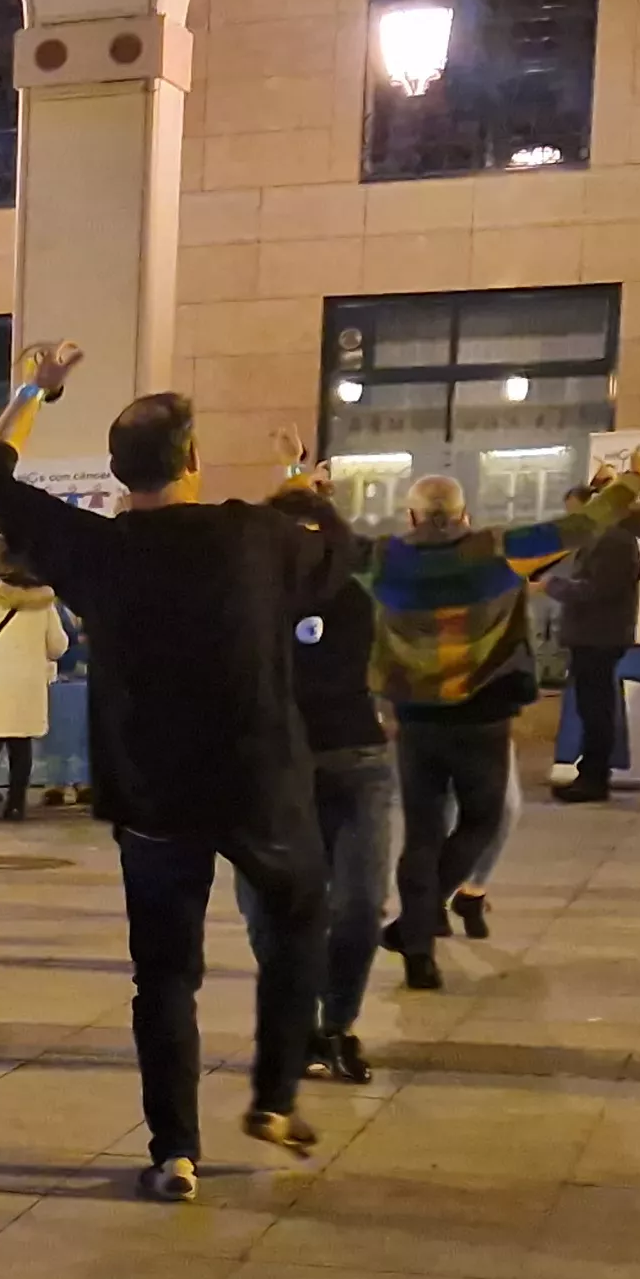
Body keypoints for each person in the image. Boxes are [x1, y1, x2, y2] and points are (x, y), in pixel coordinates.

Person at [0, 346, 333, 1202]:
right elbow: (335, 547)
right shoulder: (256, 535)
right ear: (194, 462)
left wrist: (30, 390)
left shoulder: (94, 550)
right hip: (259, 785)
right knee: (298, 926)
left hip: (154, 794)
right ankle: (276, 1095)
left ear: (115, 472)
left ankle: (176, 1152)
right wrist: (300, 477)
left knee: (165, 974)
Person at [367, 457, 640, 988]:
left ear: (410, 515)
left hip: (416, 718)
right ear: (464, 513)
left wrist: (296, 475)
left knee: (422, 833)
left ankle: (419, 952)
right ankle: (416, 923)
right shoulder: (497, 551)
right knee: (484, 819)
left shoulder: (385, 558)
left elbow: (315, 546)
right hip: (483, 716)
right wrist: (634, 480)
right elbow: (582, 526)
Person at [245, 453, 389, 1085]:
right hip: (271, 771)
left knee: (360, 905)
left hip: (357, 761)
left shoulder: (359, 585)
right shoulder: (245, 599)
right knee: (276, 909)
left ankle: (338, 1023)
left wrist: (304, 485)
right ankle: (298, 1024)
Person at [549, 478, 640, 803]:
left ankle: (594, 778)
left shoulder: (614, 540)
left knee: (597, 708)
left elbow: (596, 589)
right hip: (591, 634)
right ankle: (588, 773)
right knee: (591, 707)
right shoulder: (602, 538)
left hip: (600, 636)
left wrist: (551, 586)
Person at [0, 540, 68, 822]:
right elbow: (58, 646)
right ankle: (16, 804)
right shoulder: (44, 601)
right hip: (28, 685)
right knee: (21, 749)